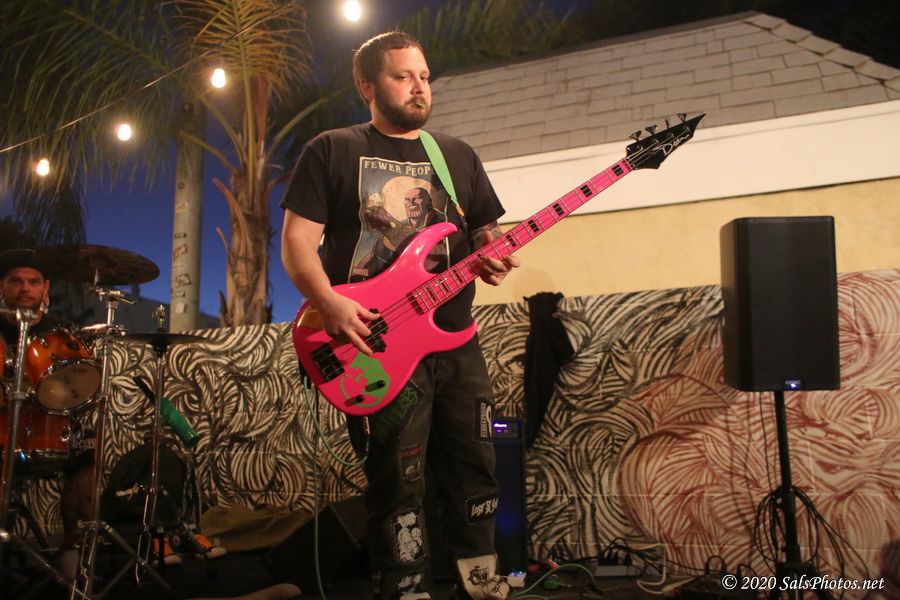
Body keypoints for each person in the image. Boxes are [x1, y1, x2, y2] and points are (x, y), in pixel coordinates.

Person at [280, 31, 520, 600]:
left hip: (457, 342)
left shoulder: (456, 155)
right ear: (367, 85)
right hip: (377, 343)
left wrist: (495, 252)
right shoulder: (332, 149)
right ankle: (404, 588)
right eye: (403, 76)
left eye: (425, 76)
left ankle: (480, 583)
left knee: (477, 468)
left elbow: (484, 231)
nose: (419, 87)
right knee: (397, 477)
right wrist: (329, 301)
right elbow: (297, 242)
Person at [0, 249, 93, 566]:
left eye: (33, 281)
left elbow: (81, 389)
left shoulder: (61, 334)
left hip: (49, 430)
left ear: (45, 288)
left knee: (88, 464)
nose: (25, 288)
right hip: (2, 430)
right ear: (2, 287)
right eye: (16, 281)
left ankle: (72, 558)